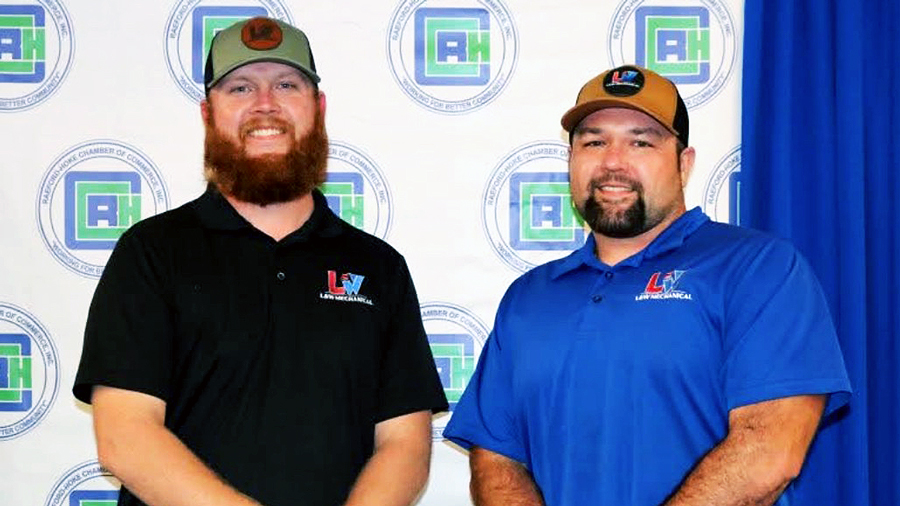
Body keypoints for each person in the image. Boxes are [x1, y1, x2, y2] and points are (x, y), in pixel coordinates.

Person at [73, 16, 447, 506]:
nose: (265, 104)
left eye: (287, 85)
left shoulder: (379, 268)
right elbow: (125, 437)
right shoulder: (150, 252)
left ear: (319, 108)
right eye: (241, 87)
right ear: (208, 114)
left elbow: (404, 444)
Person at [442, 64, 851, 506]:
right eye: (594, 141)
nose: (613, 161)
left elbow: (771, 451)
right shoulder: (528, 297)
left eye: (641, 141)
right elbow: (497, 460)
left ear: (684, 163)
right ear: (571, 160)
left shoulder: (759, 269)